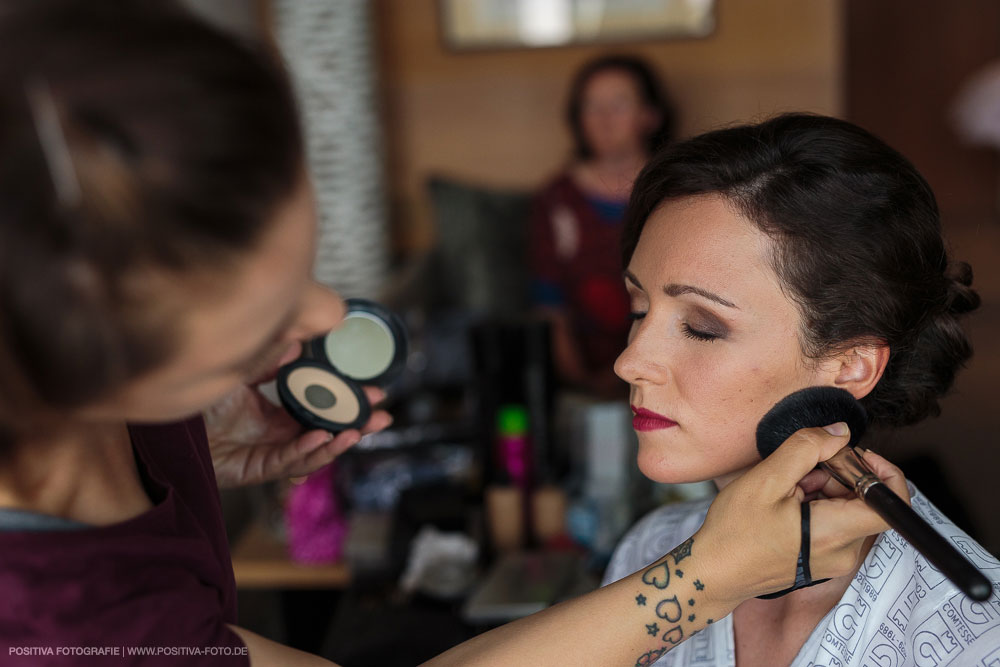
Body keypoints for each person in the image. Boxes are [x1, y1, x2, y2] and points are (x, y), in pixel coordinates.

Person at [0, 5, 921, 666]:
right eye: (270, 314)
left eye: (309, 269)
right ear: (115, 363)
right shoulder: (45, 620)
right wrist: (704, 578)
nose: (329, 319)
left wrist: (188, 443)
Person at [602, 113, 1000, 666]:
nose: (630, 361)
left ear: (850, 366)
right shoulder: (651, 552)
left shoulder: (974, 636)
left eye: (702, 327)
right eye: (639, 309)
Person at [530, 55, 675, 397]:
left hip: (666, 369)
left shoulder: (675, 189)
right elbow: (550, 304)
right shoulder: (557, 198)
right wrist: (583, 382)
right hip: (582, 378)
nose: (603, 119)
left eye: (619, 104)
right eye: (591, 106)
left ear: (650, 115)